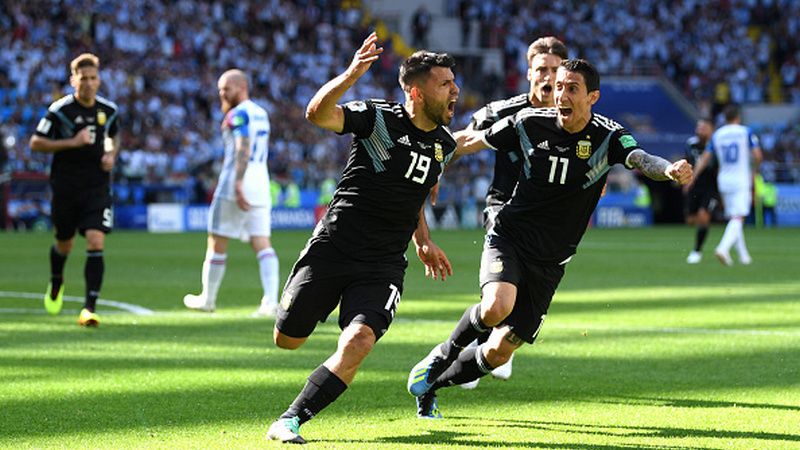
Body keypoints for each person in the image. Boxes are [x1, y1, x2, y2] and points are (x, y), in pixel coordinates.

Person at [407, 59, 693, 418]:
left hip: (552, 260)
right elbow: (474, 141)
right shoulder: (529, 122)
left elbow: (640, 158)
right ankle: (440, 355)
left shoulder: (609, 135)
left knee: (499, 353)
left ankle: (432, 386)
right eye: (559, 87)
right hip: (510, 235)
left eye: (571, 88)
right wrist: (435, 157)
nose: (561, 94)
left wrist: (667, 169)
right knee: (497, 306)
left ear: (593, 97)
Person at [266, 33, 457, 444]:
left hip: (383, 264)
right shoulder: (377, 119)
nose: (455, 91)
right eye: (445, 84)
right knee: (287, 339)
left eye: (454, 83)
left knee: (359, 339)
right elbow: (317, 114)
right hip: (333, 247)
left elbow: (416, 193)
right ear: (416, 92)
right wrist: (352, 73)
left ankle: (291, 419)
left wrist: (422, 240)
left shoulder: (445, 144)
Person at [458, 36, 569, 389]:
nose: (548, 76)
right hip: (503, 208)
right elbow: (460, 139)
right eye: (542, 69)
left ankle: (499, 344)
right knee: (500, 291)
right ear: (529, 72)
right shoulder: (503, 111)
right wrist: (435, 170)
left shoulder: (576, 119)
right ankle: (472, 346)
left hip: (550, 223)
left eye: (555, 70)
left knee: (523, 293)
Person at [30, 53, 120, 327]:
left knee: (95, 241)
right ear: (73, 80)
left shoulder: (109, 110)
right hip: (66, 187)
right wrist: (72, 142)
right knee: (64, 243)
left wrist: (110, 154)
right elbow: (36, 142)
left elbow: (112, 137)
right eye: (84, 79)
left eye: (93, 78)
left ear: (99, 79)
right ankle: (56, 280)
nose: (89, 84)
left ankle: (88, 309)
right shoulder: (59, 111)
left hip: (97, 187)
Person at [183, 69, 280, 317]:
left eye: (226, 88)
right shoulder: (262, 112)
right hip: (260, 180)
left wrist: (237, 181)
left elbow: (242, 145)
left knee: (217, 241)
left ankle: (208, 299)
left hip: (237, 178)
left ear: (241, 87)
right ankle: (270, 302)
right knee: (262, 241)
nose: (222, 94)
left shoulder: (237, 114)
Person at [690, 104, 762, 266]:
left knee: (734, 217)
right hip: (741, 177)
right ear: (738, 117)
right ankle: (723, 248)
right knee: (738, 217)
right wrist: (755, 170)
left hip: (724, 179)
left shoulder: (718, 135)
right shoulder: (746, 132)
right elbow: (757, 155)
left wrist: (694, 176)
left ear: (725, 118)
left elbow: (705, 158)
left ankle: (744, 257)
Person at [683, 117, 718, 264]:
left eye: (703, 128)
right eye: (698, 127)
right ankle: (703, 229)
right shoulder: (691, 144)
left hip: (712, 186)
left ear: (711, 130)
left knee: (703, 216)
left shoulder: (716, 145)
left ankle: (696, 251)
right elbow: (687, 161)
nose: (699, 130)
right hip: (695, 185)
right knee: (691, 220)